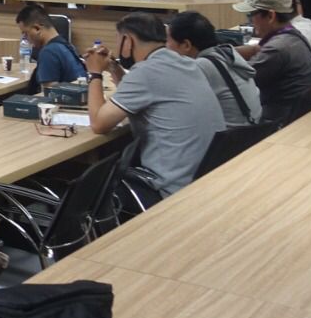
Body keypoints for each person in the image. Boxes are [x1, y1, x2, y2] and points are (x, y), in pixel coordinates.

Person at [83, 13, 224, 196]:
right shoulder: (185, 63)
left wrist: (94, 74)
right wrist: (113, 67)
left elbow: (98, 124)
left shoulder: (145, 72)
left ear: (128, 40)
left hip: (170, 187)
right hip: (204, 179)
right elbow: (142, 91)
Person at [232, 0, 311, 124]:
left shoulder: (277, 48)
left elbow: (239, 81)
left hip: (280, 122)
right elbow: (257, 52)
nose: (250, 21)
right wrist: (234, 51)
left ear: (271, 16)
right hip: (300, 115)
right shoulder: (293, 36)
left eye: (251, 15)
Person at [166, 12, 262, 128]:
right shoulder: (224, 53)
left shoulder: (200, 66)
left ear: (186, 45)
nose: (165, 46)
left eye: (168, 40)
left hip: (230, 135)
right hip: (253, 129)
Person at [15, 4, 86, 92]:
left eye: (26, 33)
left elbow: (50, 94)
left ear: (37, 28)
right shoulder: (67, 46)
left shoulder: (49, 53)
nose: (25, 38)